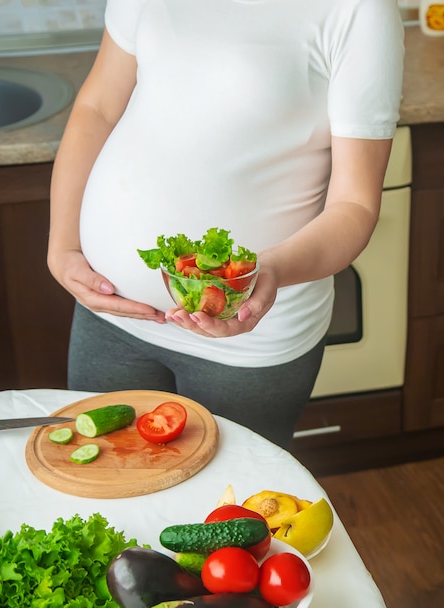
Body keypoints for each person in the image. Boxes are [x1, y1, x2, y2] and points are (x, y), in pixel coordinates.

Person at [48, 0, 404, 449]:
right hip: (110, 314)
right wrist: (62, 244)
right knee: (102, 491)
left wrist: (267, 270)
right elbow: (97, 107)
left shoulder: (358, 10)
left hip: (246, 344)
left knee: (225, 509)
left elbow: (354, 206)